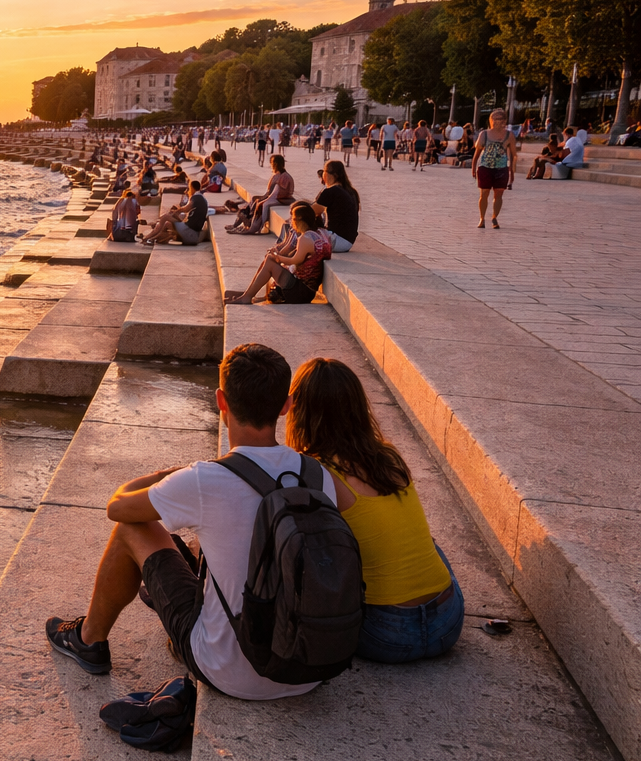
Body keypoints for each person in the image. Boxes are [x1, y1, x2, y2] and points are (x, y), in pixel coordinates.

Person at [45, 344, 341, 700]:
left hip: (230, 671)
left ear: (221, 401)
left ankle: (88, 639)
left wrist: (166, 474)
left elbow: (118, 508)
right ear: (285, 405)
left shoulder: (205, 479)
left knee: (133, 529)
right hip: (309, 668)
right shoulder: (316, 473)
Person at [285, 358, 464, 663]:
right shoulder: (389, 457)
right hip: (448, 623)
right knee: (427, 544)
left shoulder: (315, 472)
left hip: (385, 635)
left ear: (300, 412)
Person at [225, 202, 331, 305]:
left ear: (300, 221)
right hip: (305, 290)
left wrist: (278, 258)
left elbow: (295, 261)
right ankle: (248, 293)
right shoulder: (318, 234)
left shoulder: (305, 238)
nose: (291, 222)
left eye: (293, 219)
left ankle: (247, 296)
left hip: (302, 292)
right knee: (270, 260)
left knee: (270, 261)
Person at [470, 108, 516, 228]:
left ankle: (494, 217)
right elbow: (477, 152)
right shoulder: (484, 134)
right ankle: (482, 218)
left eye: (501, 119)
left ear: (505, 120)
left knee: (499, 194)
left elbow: (512, 154)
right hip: (485, 167)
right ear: (491, 121)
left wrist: (512, 171)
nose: (498, 122)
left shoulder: (509, 135)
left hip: (501, 168)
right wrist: (473, 167)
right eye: (495, 119)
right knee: (484, 193)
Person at [228, 154, 294, 235]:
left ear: (275, 164)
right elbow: (270, 192)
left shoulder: (283, 177)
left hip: (281, 199)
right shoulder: (277, 175)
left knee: (262, 204)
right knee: (254, 199)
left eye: (271, 163)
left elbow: (275, 195)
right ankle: (241, 224)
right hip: (275, 197)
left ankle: (257, 227)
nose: (271, 165)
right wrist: (261, 197)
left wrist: (263, 199)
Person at [142, 179, 210, 245]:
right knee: (167, 224)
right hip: (192, 236)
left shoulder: (196, 197)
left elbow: (186, 209)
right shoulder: (202, 199)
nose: (188, 191)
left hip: (189, 232)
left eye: (189, 189)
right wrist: (176, 212)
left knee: (165, 217)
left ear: (192, 188)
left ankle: (148, 238)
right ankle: (153, 239)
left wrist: (177, 211)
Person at [313, 160, 359, 251]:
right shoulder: (350, 191)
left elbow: (309, 212)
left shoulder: (331, 191)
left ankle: (286, 257)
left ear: (326, 174)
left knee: (302, 234)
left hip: (337, 240)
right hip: (347, 242)